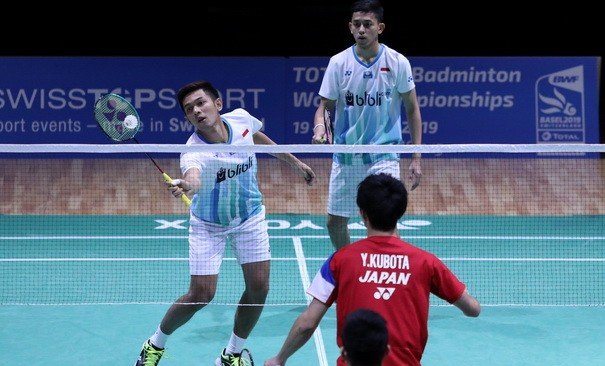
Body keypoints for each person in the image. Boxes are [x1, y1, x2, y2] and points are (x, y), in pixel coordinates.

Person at [135, 80, 316, 366]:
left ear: (217, 104)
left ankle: (231, 354)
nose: (196, 111)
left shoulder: (241, 119)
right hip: (209, 224)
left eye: (200, 103)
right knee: (201, 294)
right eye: (189, 109)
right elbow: (193, 175)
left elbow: (258, 137)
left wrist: (295, 162)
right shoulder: (193, 151)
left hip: (249, 216)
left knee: (259, 288)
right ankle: (155, 344)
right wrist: (188, 184)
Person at [264, 173, 480, 366]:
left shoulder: (339, 260)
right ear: (400, 212)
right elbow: (473, 309)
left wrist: (279, 359)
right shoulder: (426, 263)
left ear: (362, 213)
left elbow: (308, 323)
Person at [312, 0, 423, 249]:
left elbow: (412, 109)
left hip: (384, 154)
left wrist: (416, 157)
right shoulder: (338, 63)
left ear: (380, 27)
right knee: (334, 222)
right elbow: (324, 107)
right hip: (347, 156)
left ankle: (386, 269)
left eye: (368, 24)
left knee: (383, 221)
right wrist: (319, 127)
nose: (362, 30)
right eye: (357, 25)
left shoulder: (397, 62)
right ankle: (348, 263)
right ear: (350, 27)